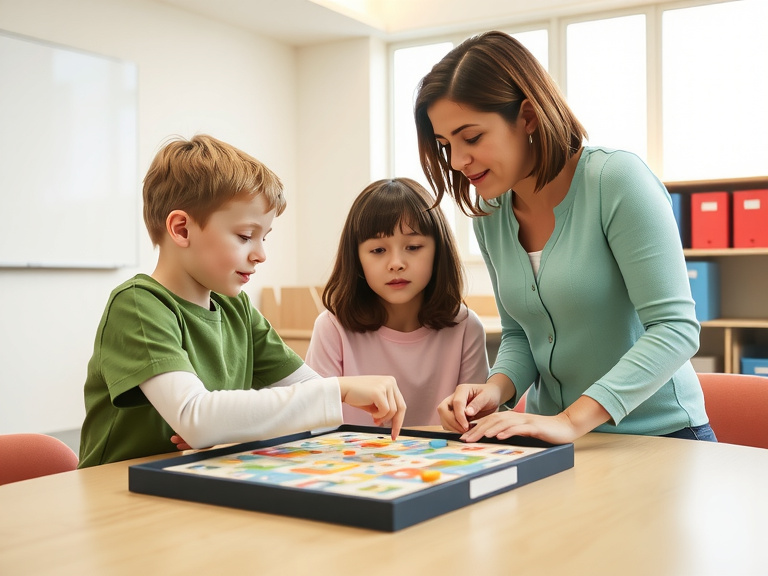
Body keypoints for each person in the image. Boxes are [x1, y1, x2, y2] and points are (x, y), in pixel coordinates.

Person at [413, 31, 715, 445]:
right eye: (446, 144)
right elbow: (521, 334)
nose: (458, 161)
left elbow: (674, 329)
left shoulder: (616, 181)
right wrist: (494, 390)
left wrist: (571, 421)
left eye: (472, 137)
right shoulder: (491, 214)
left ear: (528, 116)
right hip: (556, 441)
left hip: (661, 436)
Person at [78, 134, 406, 468]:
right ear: (182, 229)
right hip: (120, 492)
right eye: (245, 236)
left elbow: (315, 411)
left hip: (196, 484)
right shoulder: (137, 305)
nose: (261, 254)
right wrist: (337, 390)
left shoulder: (237, 307)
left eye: (264, 238)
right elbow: (197, 417)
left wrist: (234, 425)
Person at [305, 178, 489, 427]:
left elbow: (477, 422)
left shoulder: (466, 326)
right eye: (378, 250)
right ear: (356, 258)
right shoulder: (332, 328)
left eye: (413, 247)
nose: (396, 263)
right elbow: (311, 419)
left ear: (439, 251)